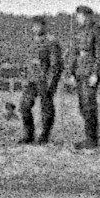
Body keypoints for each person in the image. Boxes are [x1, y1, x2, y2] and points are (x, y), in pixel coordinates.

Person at [68, 4, 100, 150]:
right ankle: (89, 139)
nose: (79, 18)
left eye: (82, 16)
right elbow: (73, 53)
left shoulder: (97, 31)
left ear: (89, 16)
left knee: (89, 106)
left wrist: (96, 74)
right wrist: (71, 72)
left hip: (90, 72)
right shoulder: (77, 32)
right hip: (80, 72)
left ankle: (92, 141)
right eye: (78, 16)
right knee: (82, 106)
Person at [17, 15, 63, 145]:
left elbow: (56, 65)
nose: (36, 28)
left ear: (44, 26)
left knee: (46, 109)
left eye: (39, 25)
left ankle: (44, 136)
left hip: (44, 80)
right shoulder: (32, 43)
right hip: (31, 80)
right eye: (34, 26)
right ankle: (28, 135)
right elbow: (28, 63)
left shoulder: (51, 42)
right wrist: (24, 77)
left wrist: (51, 82)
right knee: (24, 106)